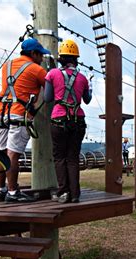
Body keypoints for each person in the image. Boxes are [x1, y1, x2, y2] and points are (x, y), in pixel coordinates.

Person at [0, 38, 50, 202]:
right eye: (40, 55)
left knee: (1, 152)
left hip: (1, 112)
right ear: (33, 53)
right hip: (19, 114)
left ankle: (1, 190)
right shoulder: (37, 70)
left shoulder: (7, 66)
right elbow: (49, 93)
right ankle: (13, 193)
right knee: (13, 155)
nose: (42, 59)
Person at [44, 39, 91, 204]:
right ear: (75, 58)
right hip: (78, 119)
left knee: (59, 158)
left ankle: (63, 193)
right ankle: (75, 194)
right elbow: (87, 100)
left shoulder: (52, 74)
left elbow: (47, 98)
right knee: (72, 157)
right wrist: (88, 88)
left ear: (60, 58)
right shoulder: (83, 78)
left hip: (58, 119)